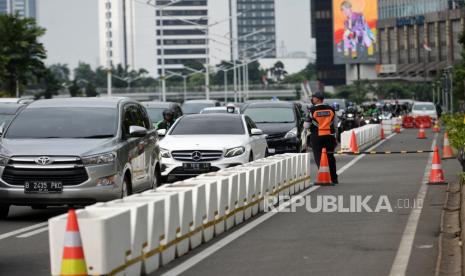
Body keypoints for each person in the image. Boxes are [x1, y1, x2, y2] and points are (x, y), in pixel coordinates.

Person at [304, 92, 339, 184]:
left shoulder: (312, 110)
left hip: (317, 137)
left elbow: (306, 125)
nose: (312, 99)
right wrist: (336, 136)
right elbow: (335, 125)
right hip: (330, 136)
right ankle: (334, 178)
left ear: (318, 99)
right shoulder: (331, 109)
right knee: (330, 157)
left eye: (313, 98)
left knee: (319, 157)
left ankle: (324, 177)